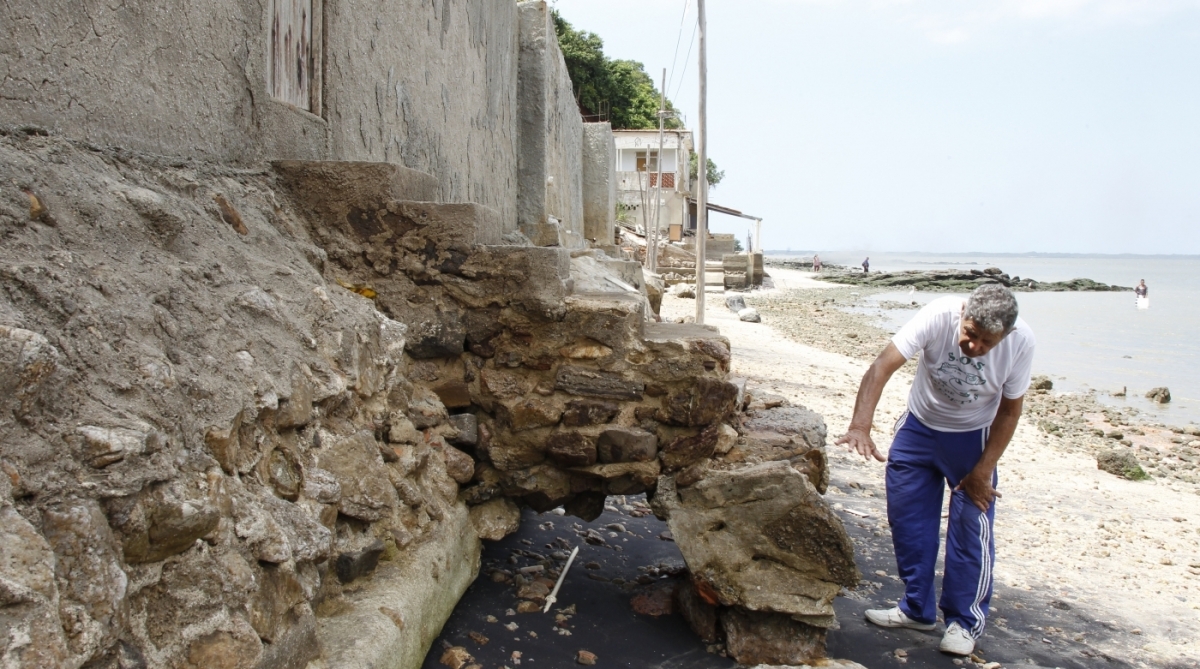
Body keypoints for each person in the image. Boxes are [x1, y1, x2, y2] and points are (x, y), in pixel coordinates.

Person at [836, 284, 1035, 656]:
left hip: (973, 438)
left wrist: (983, 471)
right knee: (908, 519)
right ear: (963, 313)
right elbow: (882, 366)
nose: (975, 346)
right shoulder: (938, 314)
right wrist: (860, 425)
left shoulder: (1021, 341)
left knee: (970, 528)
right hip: (919, 426)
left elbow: (1010, 411)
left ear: (1006, 335)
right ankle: (916, 609)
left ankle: (964, 623)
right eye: (971, 333)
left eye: (987, 342)